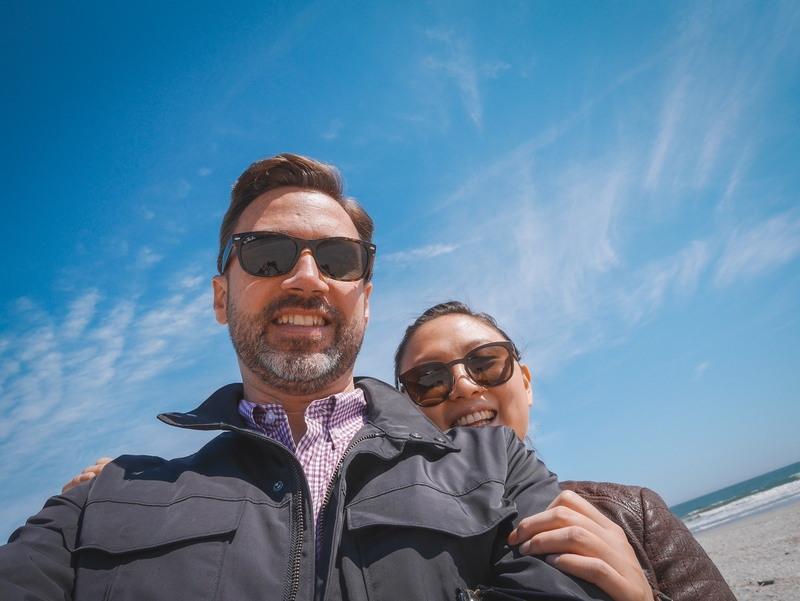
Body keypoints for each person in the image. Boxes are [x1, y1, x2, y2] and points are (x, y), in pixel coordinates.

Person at [0, 153, 616, 601]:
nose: (306, 277)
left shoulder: (498, 464)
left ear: (365, 300)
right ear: (221, 297)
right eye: (268, 254)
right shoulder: (100, 498)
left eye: (337, 259)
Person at [393, 301, 736, 601]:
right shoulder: (383, 554)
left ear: (525, 384)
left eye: (484, 363)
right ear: (405, 414)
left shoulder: (635, 514)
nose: (465, 386)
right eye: (428, 379)